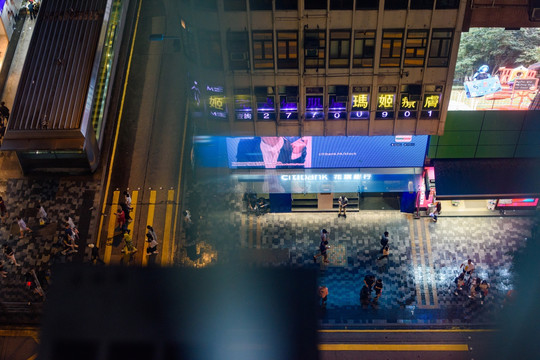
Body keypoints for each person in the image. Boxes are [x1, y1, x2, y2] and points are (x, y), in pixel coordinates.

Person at [236, 137, 309, 169]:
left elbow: (298, 186)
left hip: (285, 197)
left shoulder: (296, 148)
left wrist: (296, 154)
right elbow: (242, 180)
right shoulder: (245, 146)